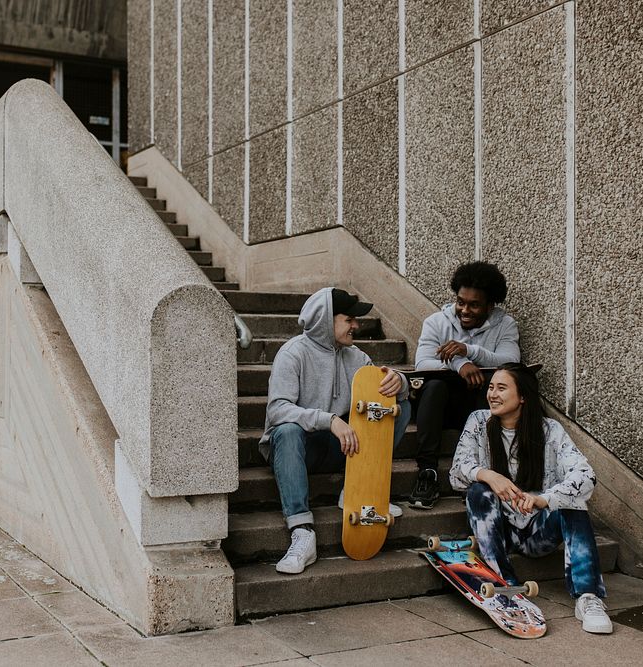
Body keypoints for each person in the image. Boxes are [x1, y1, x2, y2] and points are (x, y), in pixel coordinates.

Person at [450, 363, 612, 634]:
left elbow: (586, 476)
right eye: (491, 387)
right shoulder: (479, 422)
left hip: (538, 532)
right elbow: (457, 472)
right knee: (478, 490)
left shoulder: (550, 431)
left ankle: (588, 597)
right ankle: (504, 583)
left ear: (522, 396)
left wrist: (545, 500)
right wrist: (489, 475)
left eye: (502, 388)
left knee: (572, 501)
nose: (492, 394)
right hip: (499, 532)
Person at [260, 287, 411, 574]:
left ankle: (356, 491)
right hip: (298, 451)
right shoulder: (293, 353)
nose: (356, 325)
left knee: (400, 410)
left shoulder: (356, 357)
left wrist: (399, 382)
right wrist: (329, 420)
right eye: (349, 319)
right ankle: (302, 533)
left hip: (342, 448)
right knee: (287, 431)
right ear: (326, 320)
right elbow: (278, 409)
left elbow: (383, 394)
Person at [408, 261, 520, 510]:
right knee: (435, 386)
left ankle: (479, 475)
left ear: (491, 306)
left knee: (491, 389)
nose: (465, 310)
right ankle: (428, 473)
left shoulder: (505, 325)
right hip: (438, 408)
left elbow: (511, 362)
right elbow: (422, 364)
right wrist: (460, 364)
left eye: (474, 304)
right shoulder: (436, 322)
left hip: (478, 405)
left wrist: (469, 351)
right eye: (461, 302)